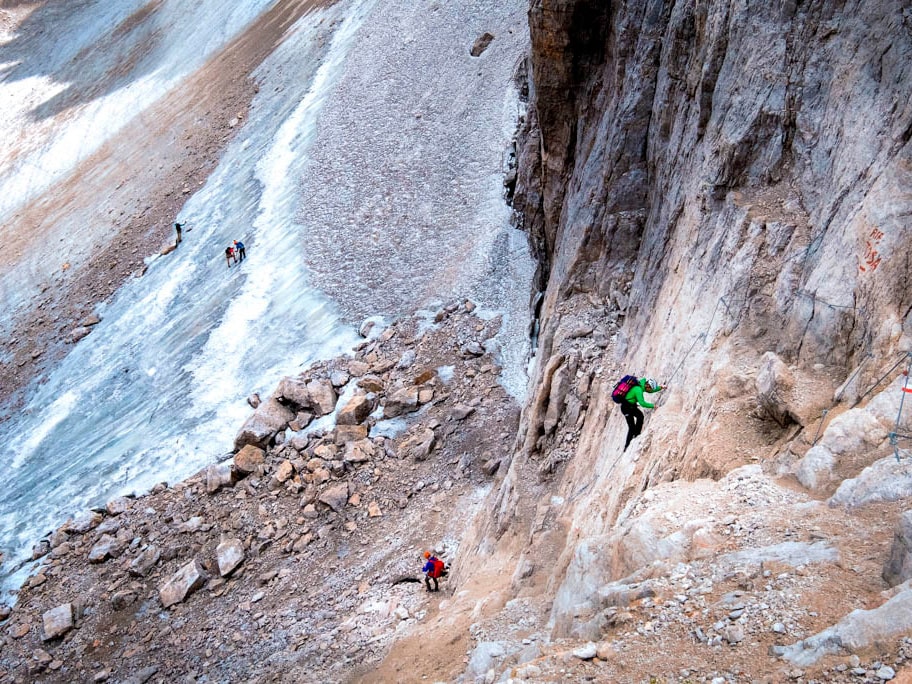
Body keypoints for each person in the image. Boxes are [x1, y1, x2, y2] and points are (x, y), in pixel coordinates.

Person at [620, 377, 663, 451]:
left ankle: (637, 435)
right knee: (631, 427)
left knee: (640, 416)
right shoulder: (638, 390)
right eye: (650, 388)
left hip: (631, 406)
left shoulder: (641, 385)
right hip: (626, 408)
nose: (650, 390)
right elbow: (642, 403)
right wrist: (653, 406)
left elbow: (650, 390)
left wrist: (660, 387)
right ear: (647, 386)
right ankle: (627, 446)